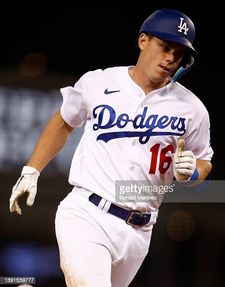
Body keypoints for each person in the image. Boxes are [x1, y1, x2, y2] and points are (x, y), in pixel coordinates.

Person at [9, 8, 213, 287]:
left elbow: (204, 163)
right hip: (88, 213)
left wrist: (191, 173)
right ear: (143, 41)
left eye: (179, 54)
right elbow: (63, 122)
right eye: (165, 47)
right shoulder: (99, 82)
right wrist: (31, 171)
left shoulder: (192, 109)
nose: (170, 58)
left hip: (141, 231)